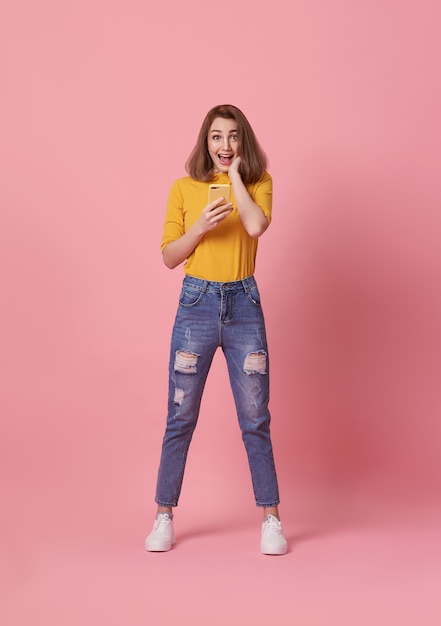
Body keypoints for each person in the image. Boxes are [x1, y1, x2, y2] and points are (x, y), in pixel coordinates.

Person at [145, 104, 287, 555]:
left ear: (242, 141)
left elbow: (254, 224)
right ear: (205, 142)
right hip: (196, 305)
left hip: (244, 304)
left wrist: (240, 180)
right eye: (216, 137)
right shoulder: (184, 189)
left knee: (255, 418)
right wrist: (201, 228)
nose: (224, 146)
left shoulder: (259, 183)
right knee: (180, 416)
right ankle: (163, 515)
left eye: (232, 137)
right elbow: (169, 256)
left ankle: (271, 520)